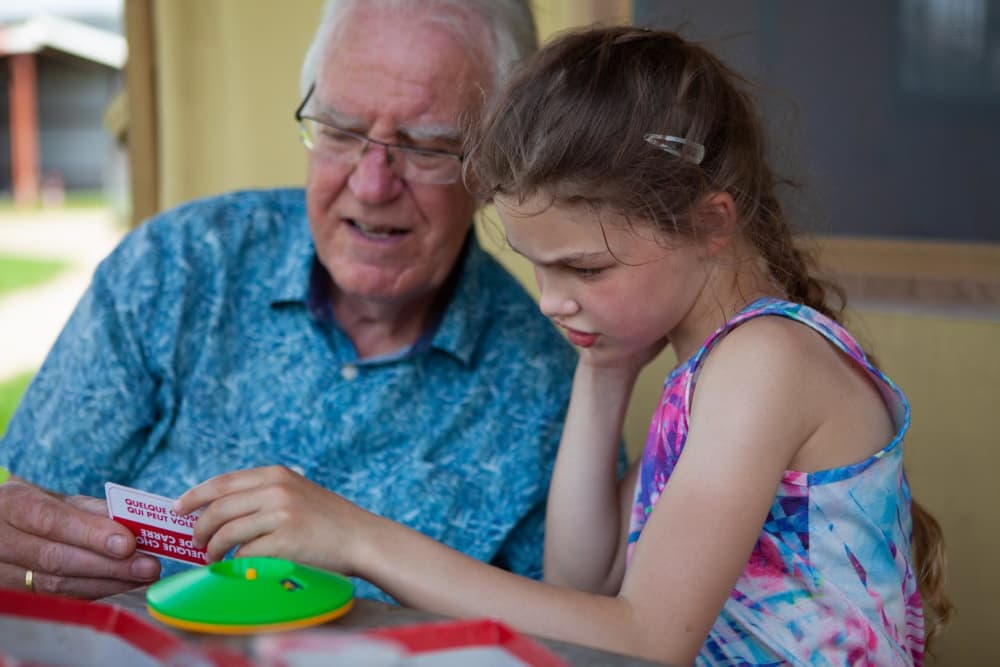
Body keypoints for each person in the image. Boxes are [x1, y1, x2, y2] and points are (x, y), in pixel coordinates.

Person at [176, 26, 953, 666]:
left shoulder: (764, 363)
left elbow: (646, 638)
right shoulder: (710, 369)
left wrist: (358, 536)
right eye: (536, 265)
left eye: (584, 266)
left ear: (712, 223)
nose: (551, 300)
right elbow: (581, 581)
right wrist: (604, 365)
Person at [0, 0, 578, 601]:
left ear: (495, 170)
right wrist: (26, 563)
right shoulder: (176, 268)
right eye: (341, 130)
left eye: (427, 146)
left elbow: (572, 638)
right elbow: (33, 522)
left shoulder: (544, 391)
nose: (372, 183)